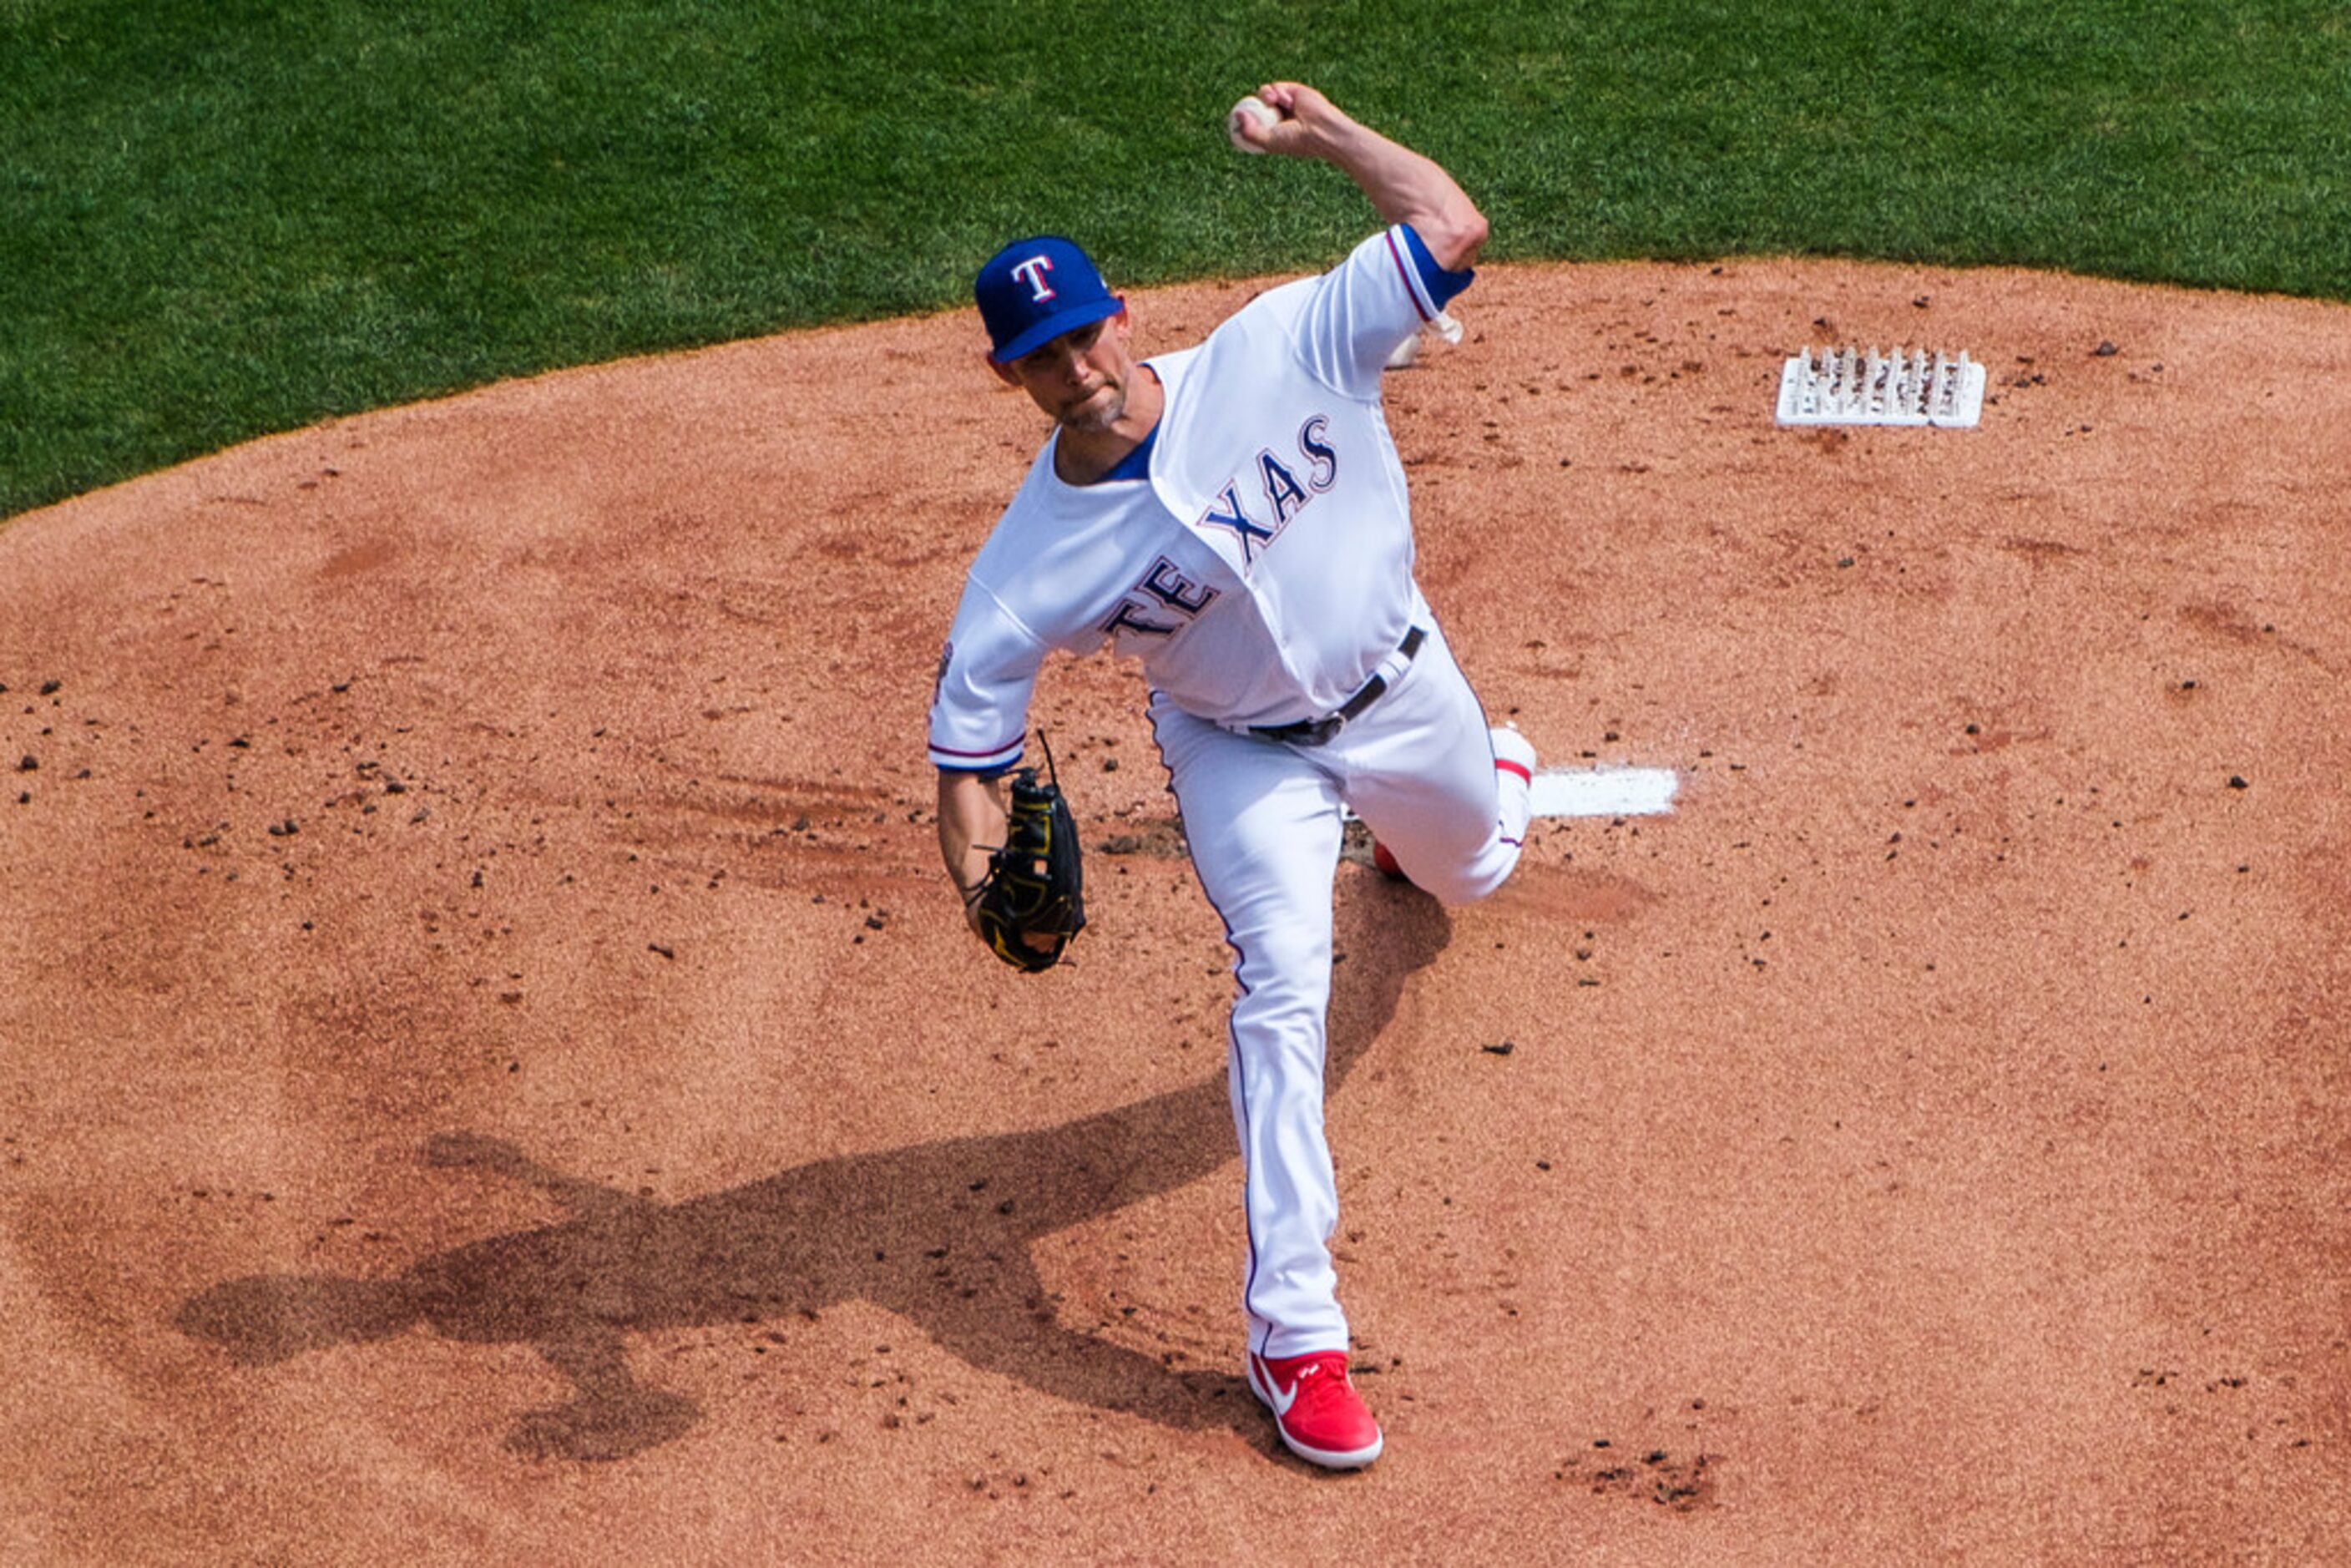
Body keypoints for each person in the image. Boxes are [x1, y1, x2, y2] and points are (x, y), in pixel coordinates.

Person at [926, 81, 1535, 1470]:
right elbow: (966, 754)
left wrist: (1326, 139)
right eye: (1038, 354)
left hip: (1402, 684)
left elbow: (1451, 222)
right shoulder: (1026, 568)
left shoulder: (1279, 346)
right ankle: (1296, 1337)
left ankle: (1476, 788)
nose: (1072, 365)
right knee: (1283, 983)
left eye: (1082, 332)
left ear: (1120, 314)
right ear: (1004, 375)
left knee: (1479, 863)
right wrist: (979, 887)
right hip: (1237, 754)